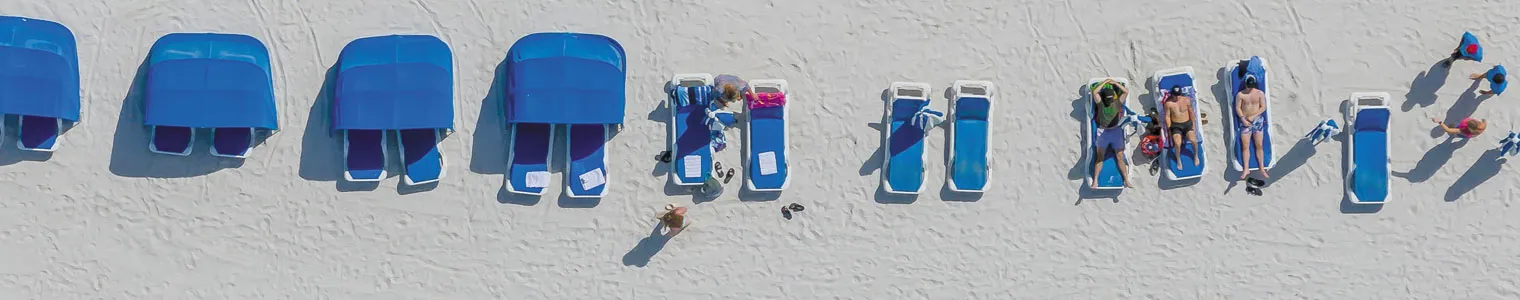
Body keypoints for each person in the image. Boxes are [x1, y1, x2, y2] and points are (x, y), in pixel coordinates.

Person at [1090, 79, 1132, 188]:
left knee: (1120, 156)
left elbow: (1126, 92)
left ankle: (1126, 180)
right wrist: (1108, 82)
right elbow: (1095, 92)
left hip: (1115, 131)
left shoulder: (1115, 103)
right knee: (1100, 157)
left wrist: (1112, 82)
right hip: (1103, 131)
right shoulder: (1102, 104)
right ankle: (1095, 181)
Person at [1235, 74, 1268, 179]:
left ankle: (1261, 168)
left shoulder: (1259, 93)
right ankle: (1246, 169)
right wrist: (1242, 119)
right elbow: (1238, 108)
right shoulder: (1241, 95)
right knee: (1245, 146)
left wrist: (1254, 116)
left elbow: (1263, 107)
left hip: (1257, 120)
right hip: (1245, 121)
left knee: (1259, 145)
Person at [1164, 86, 1200, 166]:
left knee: (1193, 140)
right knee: (1177, 143)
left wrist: (1193, 125)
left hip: (1187, 124)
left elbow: (1191, 113)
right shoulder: (1168, 104)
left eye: (1178, 95)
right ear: (1172, 94)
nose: (1177, 97)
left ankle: (1195, 155)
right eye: (1175, 95)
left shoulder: (1186, 100)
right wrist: (1169, 129)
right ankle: (1178, 158)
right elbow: (1167, 117)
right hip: (1176, 125)